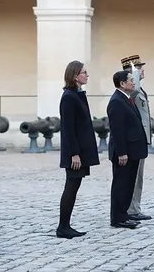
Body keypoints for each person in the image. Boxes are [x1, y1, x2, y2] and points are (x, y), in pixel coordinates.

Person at [56, 60, 100, 239]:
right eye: (84, 72)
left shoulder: (77, 94)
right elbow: (68, 129)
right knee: (71, 187)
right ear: (75, 76)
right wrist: (74, 154)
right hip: (75, 152)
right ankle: (63, 226)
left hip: (81, 150)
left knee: (74, 186)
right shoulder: (68, 97)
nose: (87, 75)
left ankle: (66, 225)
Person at [107, 70, 149, 229]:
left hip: (133, 151)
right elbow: (117, 130)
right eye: (131, 80)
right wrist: (122, 152)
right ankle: (118, 218)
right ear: (122, 84)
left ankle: (124, 215)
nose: (134, 82)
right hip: (125, 153)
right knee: (121, 185)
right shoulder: (117, 101)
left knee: (128, 184)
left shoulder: (127, 99)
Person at [120, 54, 152, 221]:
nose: (142, 71)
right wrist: (134, 73)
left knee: (138, 177)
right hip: (135, 139)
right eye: (139, 68)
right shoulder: (132, 90)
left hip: (142, 138)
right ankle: (131, 209)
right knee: (133, 177)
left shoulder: (139, 90)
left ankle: (134, 207)